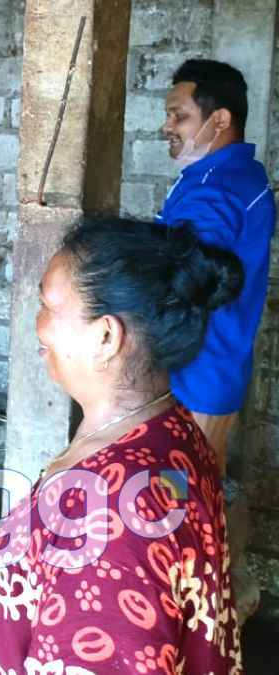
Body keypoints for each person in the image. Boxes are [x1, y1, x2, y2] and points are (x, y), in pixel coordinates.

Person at [0, 219, 244, 674]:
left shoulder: (116, 523)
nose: (38, 325)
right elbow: (35, 552)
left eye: (49, 305)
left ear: (106, 336)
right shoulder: (161, 429)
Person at [158, 59, 275, 470]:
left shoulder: (216, 189)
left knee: (183, 502)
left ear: (220, 119)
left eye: (180, 115)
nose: (166, 127)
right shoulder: (238, 175)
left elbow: (186, 278)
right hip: (213, 366)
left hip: (197, 372)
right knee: (197, 491)